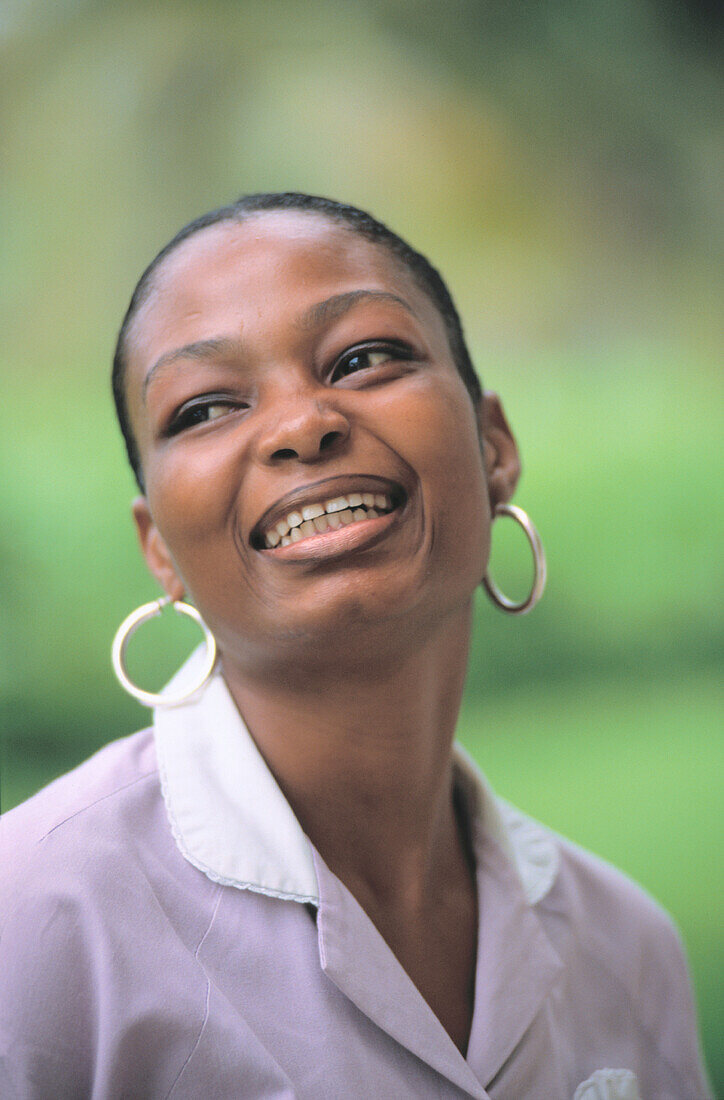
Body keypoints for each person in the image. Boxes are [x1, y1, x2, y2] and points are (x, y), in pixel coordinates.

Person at [0, 193, 710, 1099]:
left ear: (494, 446)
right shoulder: (31, 927)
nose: (303, 426)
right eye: (206, 407)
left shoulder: (626, 950)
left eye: (365, 357)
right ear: (158, 550)